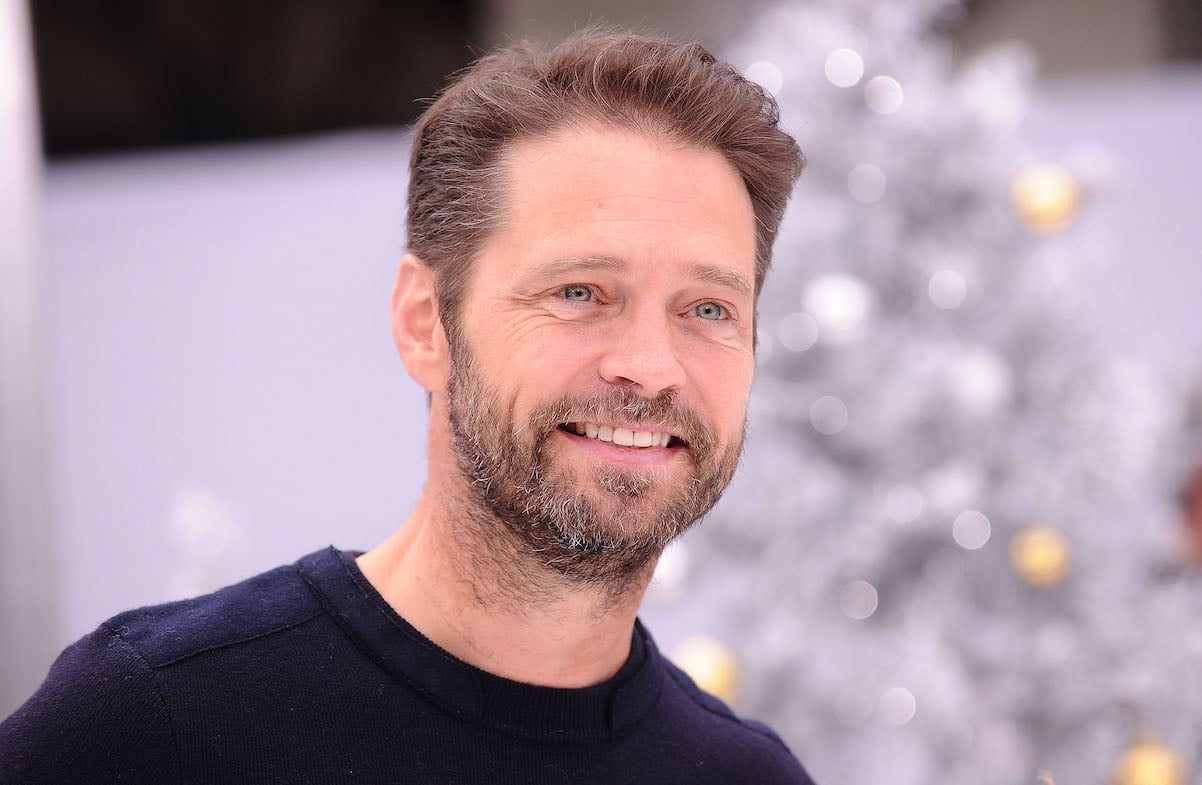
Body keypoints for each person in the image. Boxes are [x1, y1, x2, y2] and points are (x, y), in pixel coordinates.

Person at [0, 29, 810, 784]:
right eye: (580, 291)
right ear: (425, 322)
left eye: (708, 308)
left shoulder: (747, 777)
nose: (650, 367)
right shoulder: (155, 722)